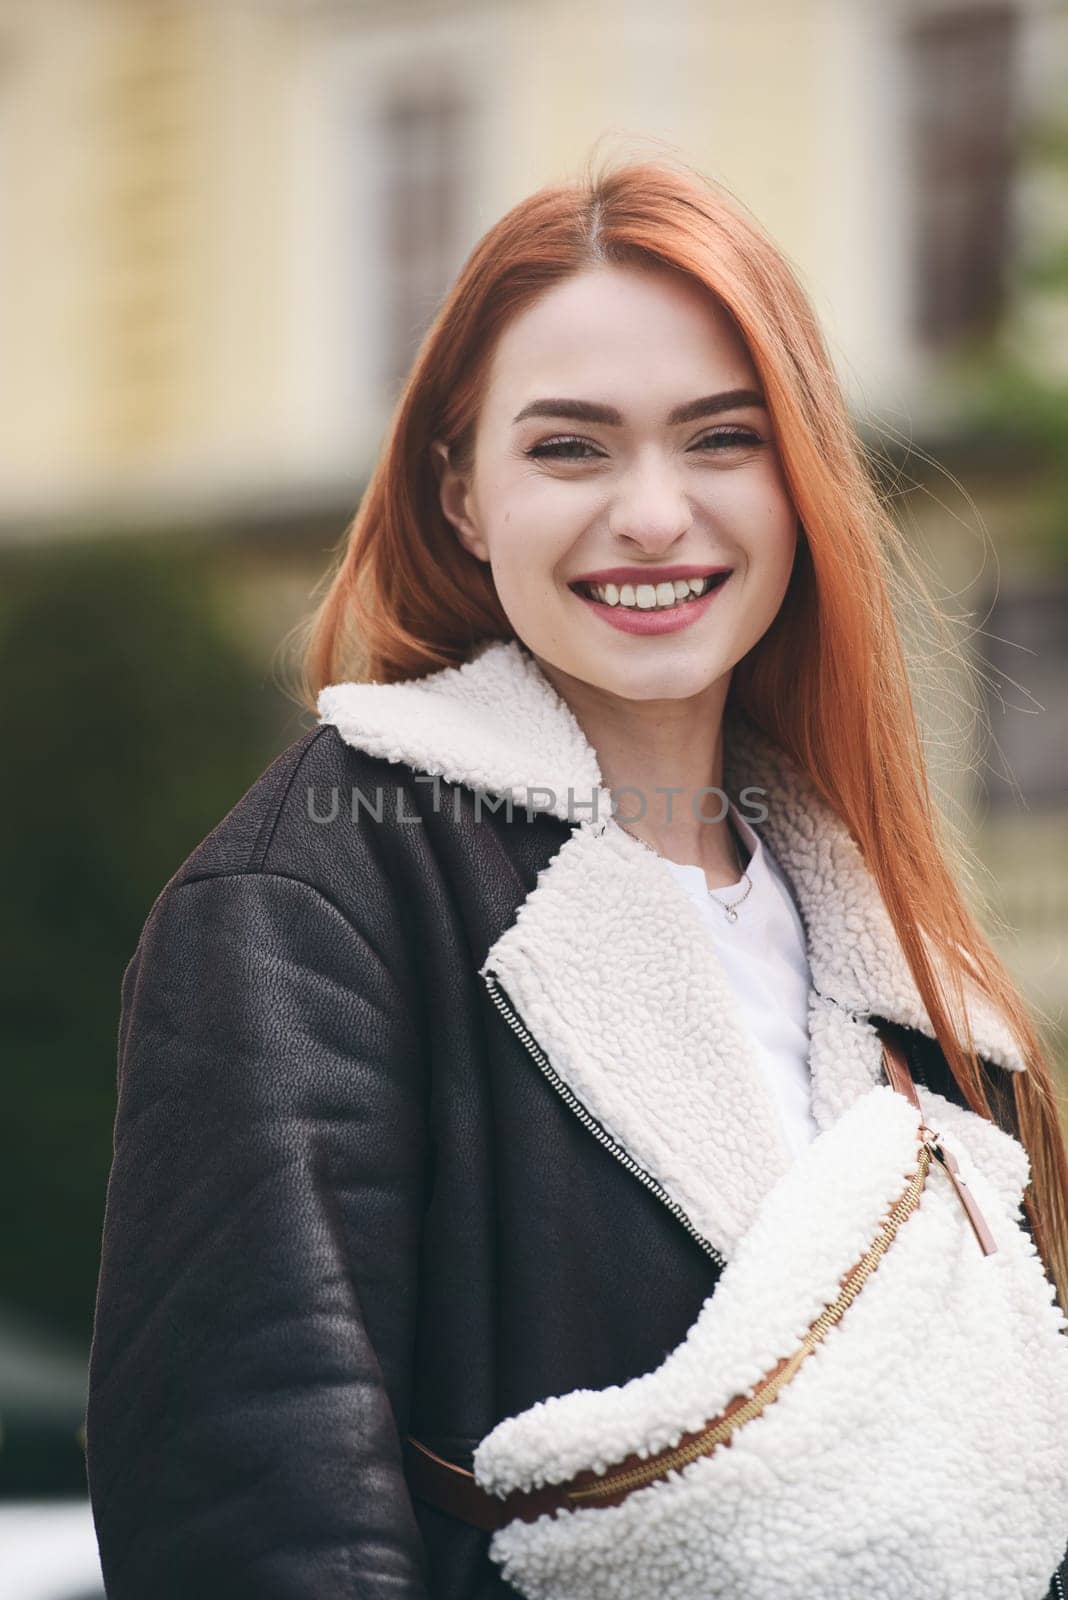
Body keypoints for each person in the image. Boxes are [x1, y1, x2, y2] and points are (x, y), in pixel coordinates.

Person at [85, 157, 1068, 1599]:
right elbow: (254, 1507)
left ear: (799, 481)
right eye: (570, 448)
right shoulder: (307, 907)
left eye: (722, 438)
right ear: (464, 498)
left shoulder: (902, 946)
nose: (656, 515)